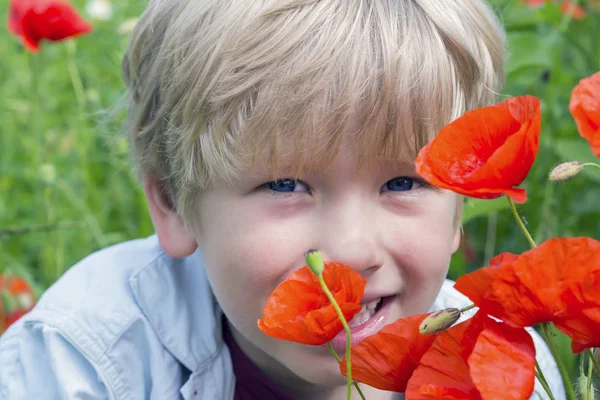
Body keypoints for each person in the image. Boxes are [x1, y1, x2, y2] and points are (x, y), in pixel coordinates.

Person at [0, 0, 564, 399]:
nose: (350, 250)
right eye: (285, 185)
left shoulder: (505, 367)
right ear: (173, 202)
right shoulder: (83, 365)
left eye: (403, 183)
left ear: (461, 203)